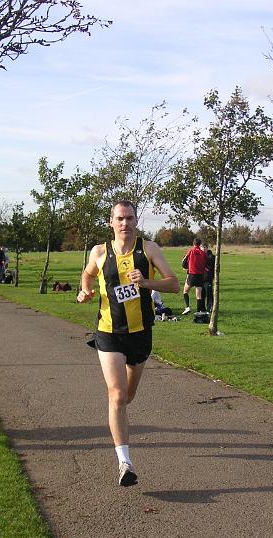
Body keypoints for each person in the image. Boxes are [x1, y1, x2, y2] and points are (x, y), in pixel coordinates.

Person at [77, 200, 179, 487]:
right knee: (118, 395)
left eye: (130, 218)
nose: (125, 223)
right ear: (111, 222)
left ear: (136, 221)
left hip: (141, 333)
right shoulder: (99, 252)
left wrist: (146, 283)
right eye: (120, 218)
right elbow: (87, 274)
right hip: (108, 332)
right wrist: (85, 291)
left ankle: (118, 416)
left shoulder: (149, 249)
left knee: (128, 396)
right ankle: (125, 462)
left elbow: (173, 283)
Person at [181, 237, 207, 315]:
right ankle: (199, 312)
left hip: (192, 274)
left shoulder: (191, 251)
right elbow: (205, 263)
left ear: (193, 243)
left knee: (185, 291)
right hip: (200, 276)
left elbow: (184, 263)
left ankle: (187, 307)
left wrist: (186, 267)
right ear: (200, 244)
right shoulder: (203, 253)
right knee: (198, 295)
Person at [201, 242, 215, 312]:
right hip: (200, 278)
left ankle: (210, 308)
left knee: (209, 294)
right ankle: (202, 308)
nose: (204, 249)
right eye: (202, 247)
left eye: (205, 247)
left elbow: (209, 267)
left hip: (208, 278)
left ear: (207, 248)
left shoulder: (211, 256)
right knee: (201, 295)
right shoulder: (200, 255)